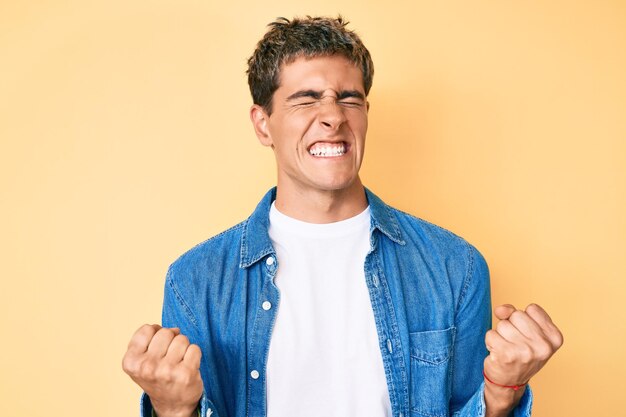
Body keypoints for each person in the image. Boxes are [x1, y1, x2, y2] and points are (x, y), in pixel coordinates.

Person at [122, 16, 563, 417]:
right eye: (305, 100)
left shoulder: (456, 267)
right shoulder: (195, 280)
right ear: (262, 124)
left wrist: (502, 391)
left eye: (349, 98)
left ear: (365, 113)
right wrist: (172, 410)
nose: (333, 116)